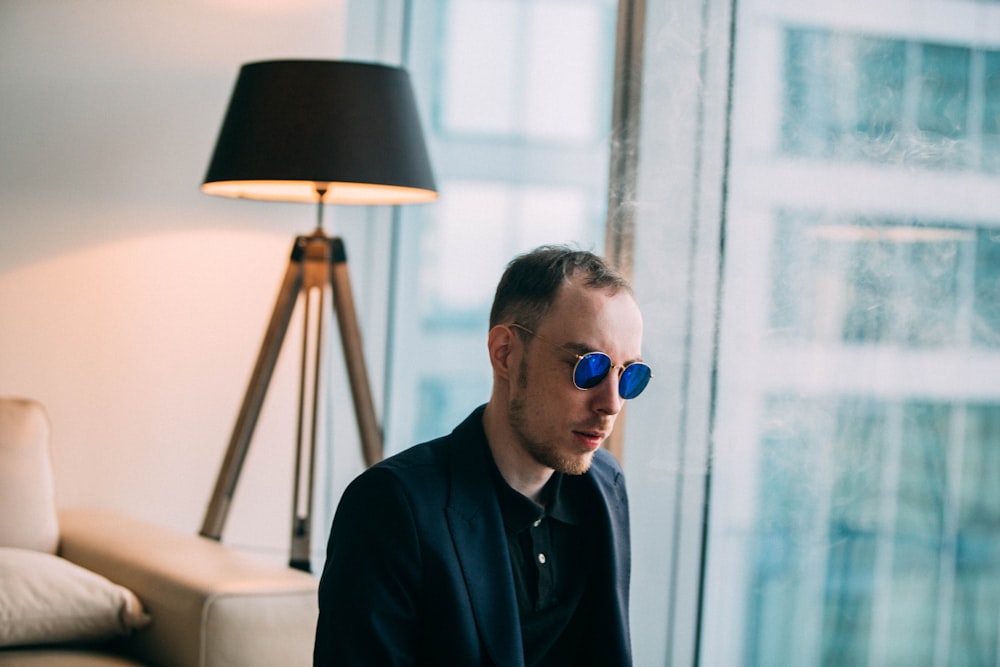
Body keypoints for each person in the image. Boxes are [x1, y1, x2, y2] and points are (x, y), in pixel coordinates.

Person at [313, 245, 651, 666]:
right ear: (505, 353)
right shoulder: (392, 507)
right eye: (589, 367)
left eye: (630, 374)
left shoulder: (606, 483)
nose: (612, 403)